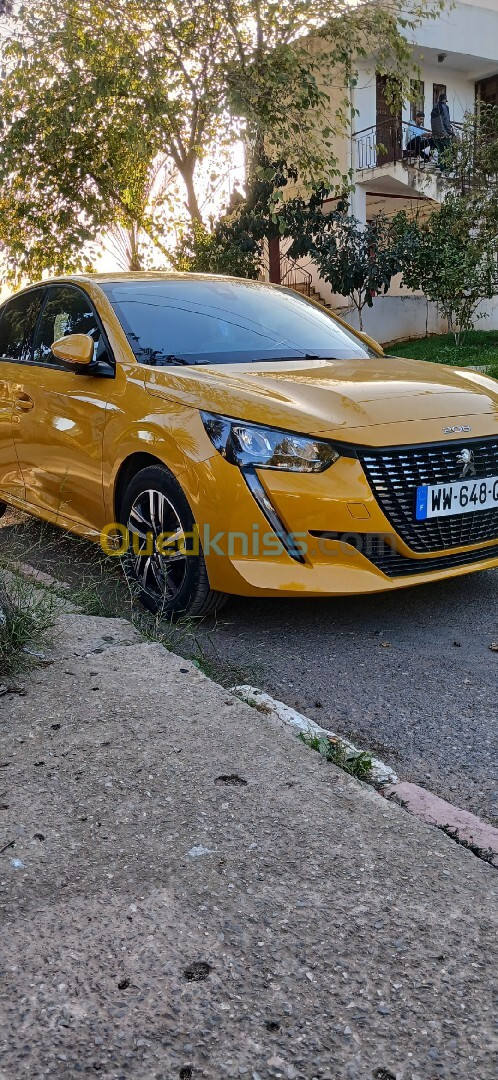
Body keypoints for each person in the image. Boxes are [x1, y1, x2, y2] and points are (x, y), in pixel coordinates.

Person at [430, 93, 454, 169]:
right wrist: (450, 131)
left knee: (441, 151)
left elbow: (432, 121)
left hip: (436, 134)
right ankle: (449, 169)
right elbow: (446, 120)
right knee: (448, 151)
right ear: (444, 100)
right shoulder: (445, 107)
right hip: (444, 133)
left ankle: (441, 168)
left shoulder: (434, 107)